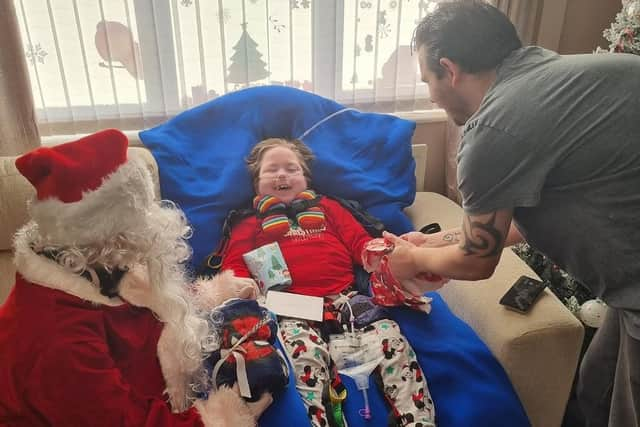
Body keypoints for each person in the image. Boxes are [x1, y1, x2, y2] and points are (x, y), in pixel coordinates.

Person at [384, 1, 640, 426]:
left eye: (427, 79)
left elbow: (476, 260)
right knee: (597, 386)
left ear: (449, 70)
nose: (430, 93)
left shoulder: (493, 128)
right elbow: (513, 223)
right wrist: (433, 242)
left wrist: (409, 260)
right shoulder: (559, 78)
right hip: (626, 292)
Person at [0, 129, 271, 426]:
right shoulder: (56, 337)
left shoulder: (96, 264)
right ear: (107, 233)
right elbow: (117, 420)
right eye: (141, 218)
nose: (154, 224)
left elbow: (145, 301)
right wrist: (221, 420)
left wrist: (214, 293)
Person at [220, 138, 436, 427]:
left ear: (306, 179)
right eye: (271, 170)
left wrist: (383, 252)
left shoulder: (330, 208)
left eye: (291, 169)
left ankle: (418, 422)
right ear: (256, 184)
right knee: (303, 360)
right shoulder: (248, 223)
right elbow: (232, 267)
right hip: (291, 311)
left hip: (347, 300)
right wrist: (242, 287)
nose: (282, 175)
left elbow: (360, 242)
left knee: (393, 342)